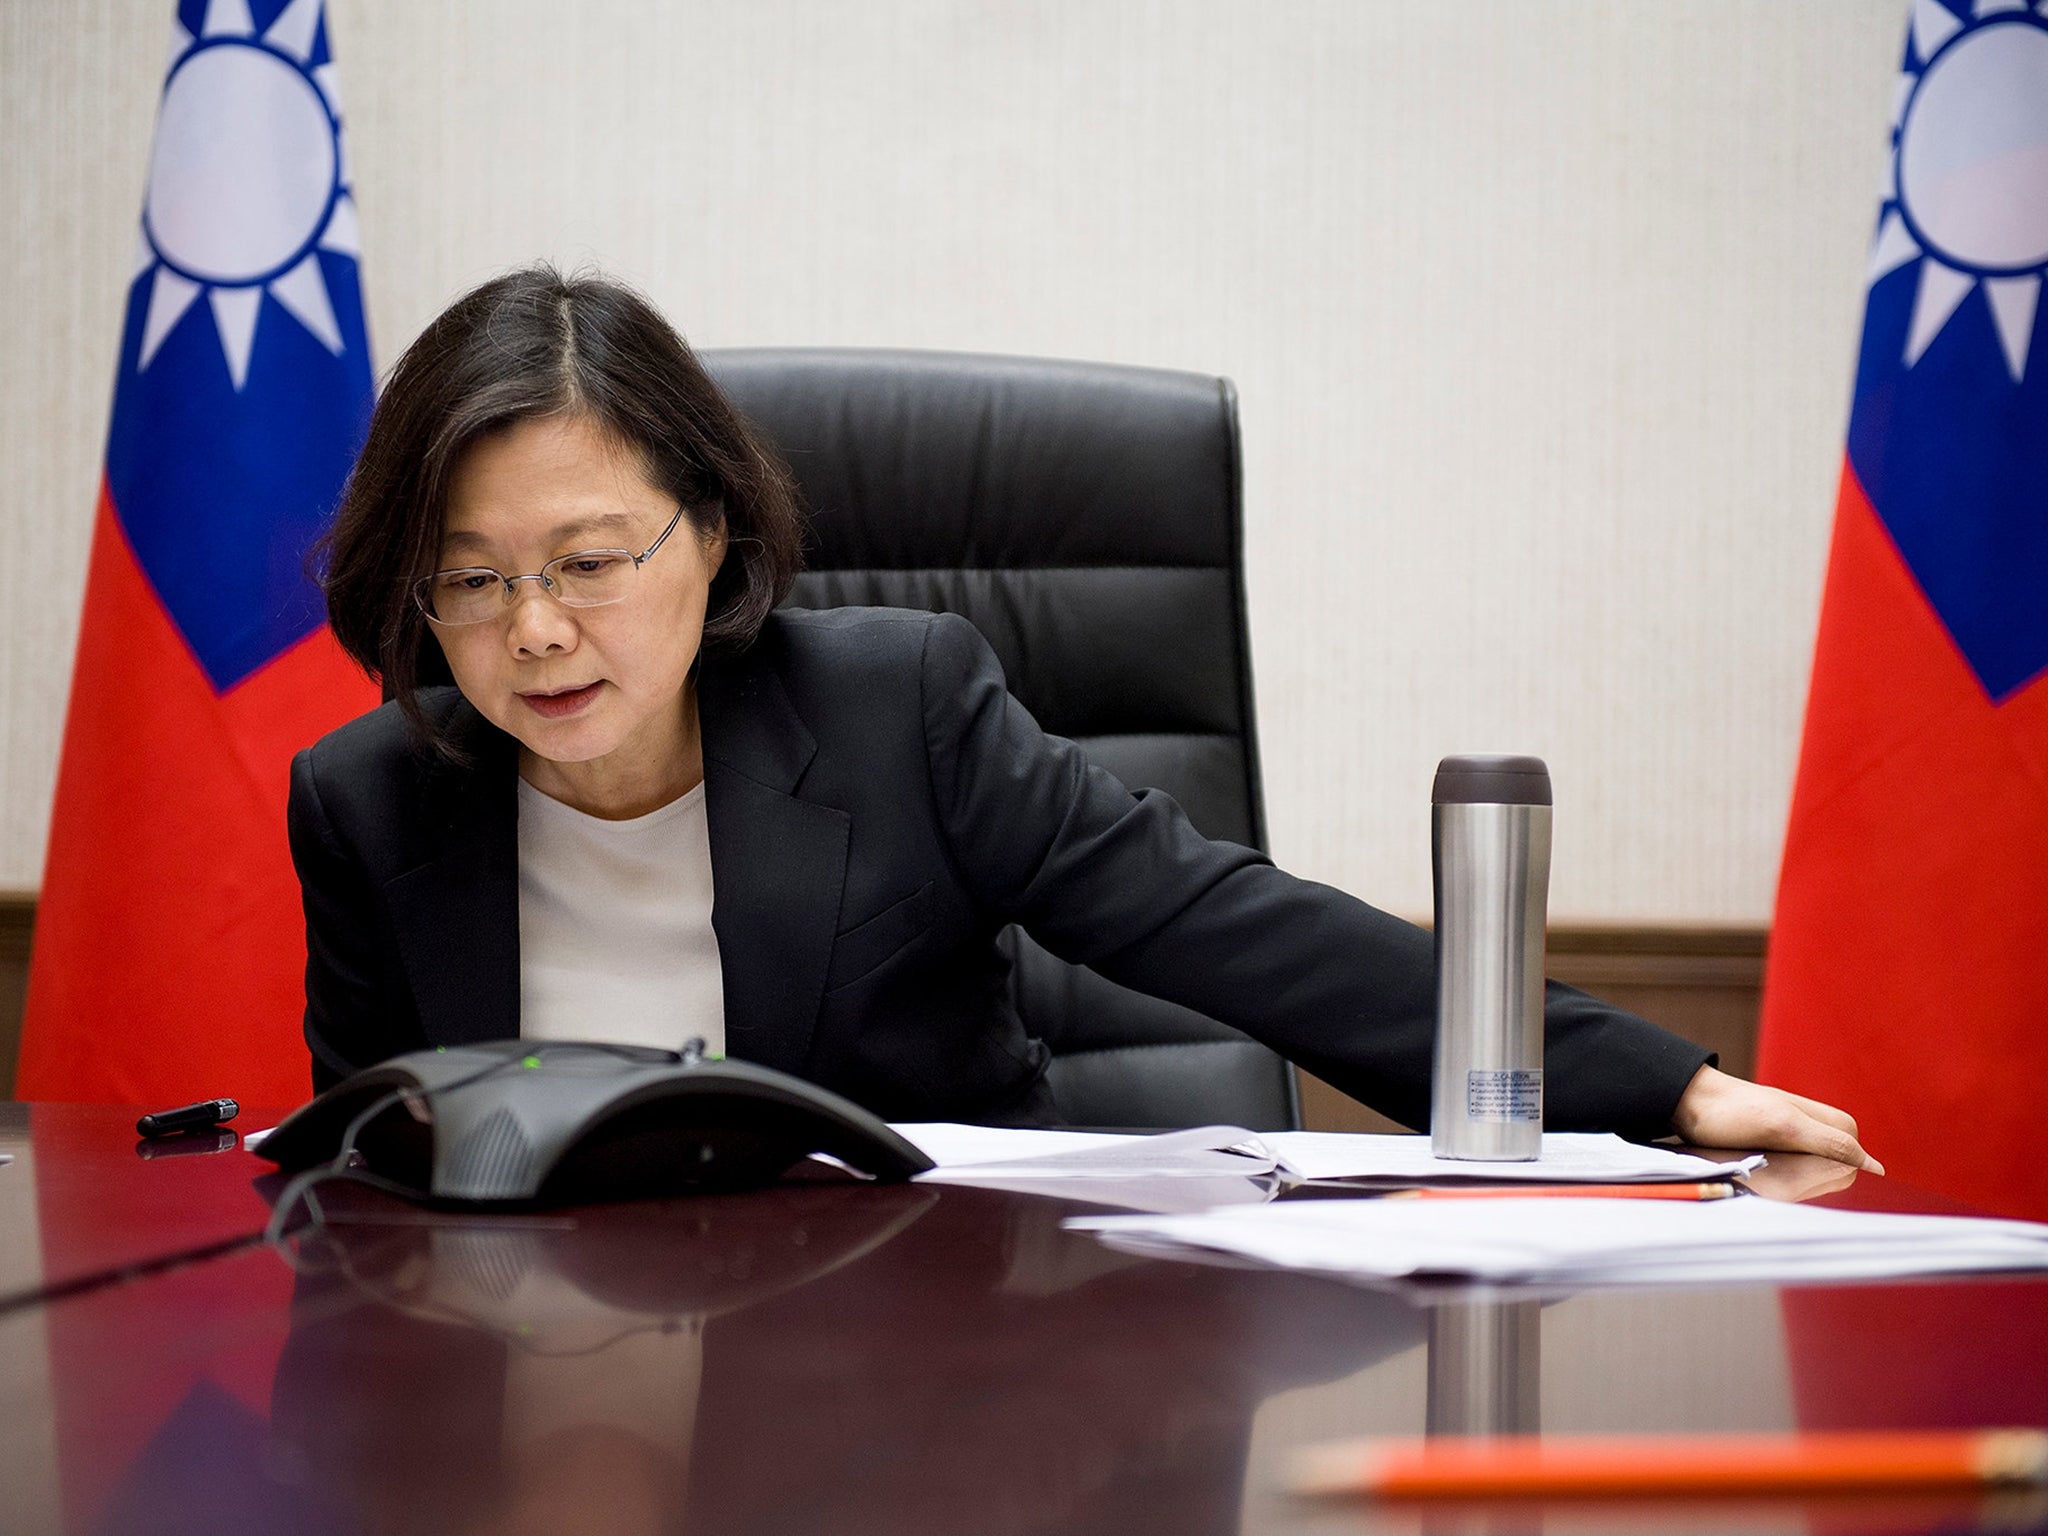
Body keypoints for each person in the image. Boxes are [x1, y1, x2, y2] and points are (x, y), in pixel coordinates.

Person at [292, 264, 1877, 1171]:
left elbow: (1227, 925)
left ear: (710, 534)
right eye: (472, 581)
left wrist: (1667, 1088)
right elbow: (375, 1167)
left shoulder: (895, 707)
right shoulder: (371, 799)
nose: (537, 630)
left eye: (585, 562)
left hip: (934, 1359)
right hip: (535, 1392)